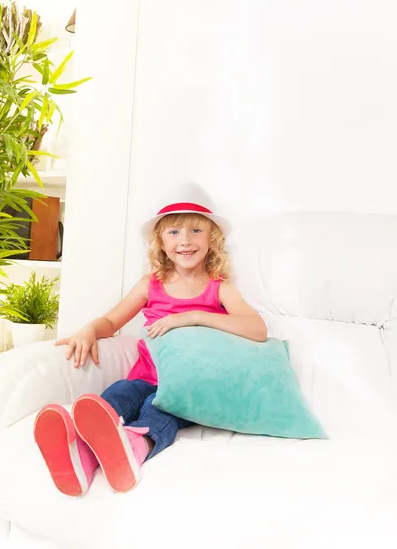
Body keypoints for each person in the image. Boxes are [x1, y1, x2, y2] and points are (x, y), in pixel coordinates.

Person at [33, 184, 267, 496]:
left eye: (196, 230)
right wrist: (89, 329)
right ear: (160, 242)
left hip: (186, 387)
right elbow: (112, 320)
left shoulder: (219, 288)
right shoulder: (151, 285)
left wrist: (193, 317)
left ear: (211, 240)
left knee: (159, 413)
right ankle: (82, 455)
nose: (185, 240)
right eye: (173, 232)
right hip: (146, 377)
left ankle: (133, 448)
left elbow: (258, 329)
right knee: (120, 393)